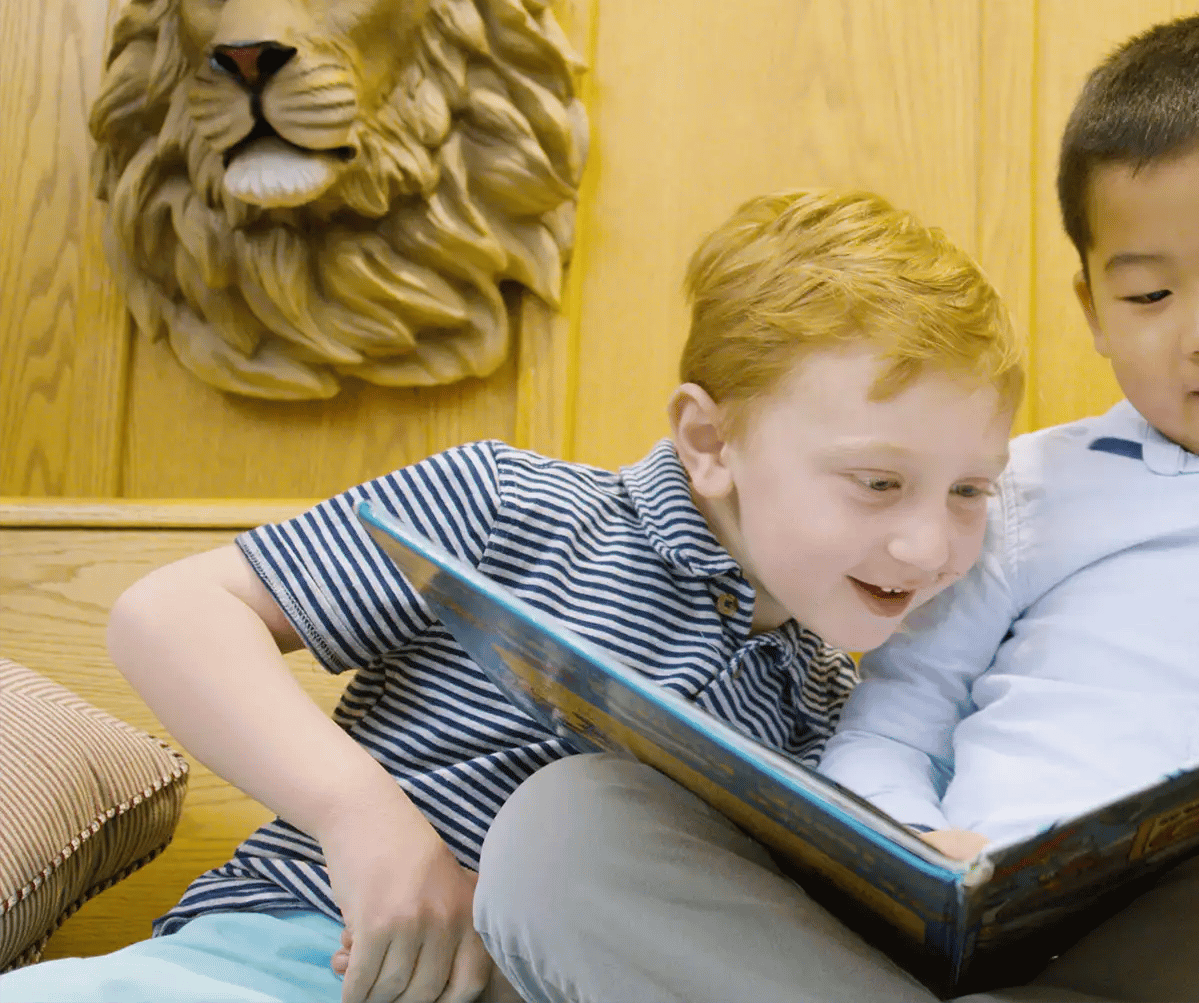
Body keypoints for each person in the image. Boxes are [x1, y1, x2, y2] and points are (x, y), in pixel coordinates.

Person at [472, 14, 1199, 1002]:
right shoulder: (1016, 485)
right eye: (1149, 295)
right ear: (1091, 312)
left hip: (1194, 949)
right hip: (937, 919)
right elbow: (889, 726)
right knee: (564, 826)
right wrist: (915, 846)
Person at [0, 188, 1022, 1003]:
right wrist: (366, 821)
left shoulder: (824, 708)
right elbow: (171, 616)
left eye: (971, 491)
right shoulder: (512, 507)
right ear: (711, 444)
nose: (929, 543)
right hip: (281, 958)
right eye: (878, 483)